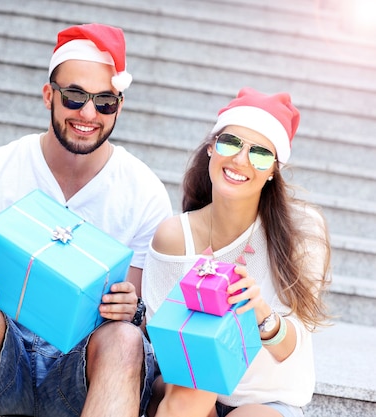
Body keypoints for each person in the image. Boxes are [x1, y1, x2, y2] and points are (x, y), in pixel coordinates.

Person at [0, 23, 173, 417]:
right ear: (49, 94)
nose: (87, 113)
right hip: (2, 361)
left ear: (120, 105)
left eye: (104, 102)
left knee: (125, 339)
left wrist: (130, 306)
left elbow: (138, 307)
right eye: (75, 96)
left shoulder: (143, 190)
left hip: (80, 372)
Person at [142, 87, 332, 417]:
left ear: (274, 170)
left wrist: (260, 314)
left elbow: (291, 349)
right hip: (187, 386)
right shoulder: (175, 236)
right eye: (230, 143)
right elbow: (163, 349)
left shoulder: (301, 231)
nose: (240, 160)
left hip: (265, 398)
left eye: (259, 154)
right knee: (194, 388)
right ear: (211, 150)